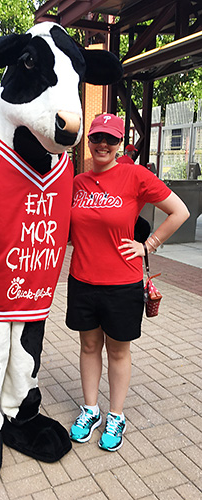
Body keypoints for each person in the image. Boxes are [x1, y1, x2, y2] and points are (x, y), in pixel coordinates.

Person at [66, 113, 189, 452]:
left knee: (118, 351)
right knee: (89, 346)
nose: (103, 144)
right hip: (82, 279)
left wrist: (147, 245)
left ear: (120, 144)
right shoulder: (77, 183)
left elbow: (179, 212)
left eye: (111, 139)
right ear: (88, 141)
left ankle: (116, 414)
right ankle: (90, 409)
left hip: (122, 283)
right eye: (97, 138)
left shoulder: (135, 175)